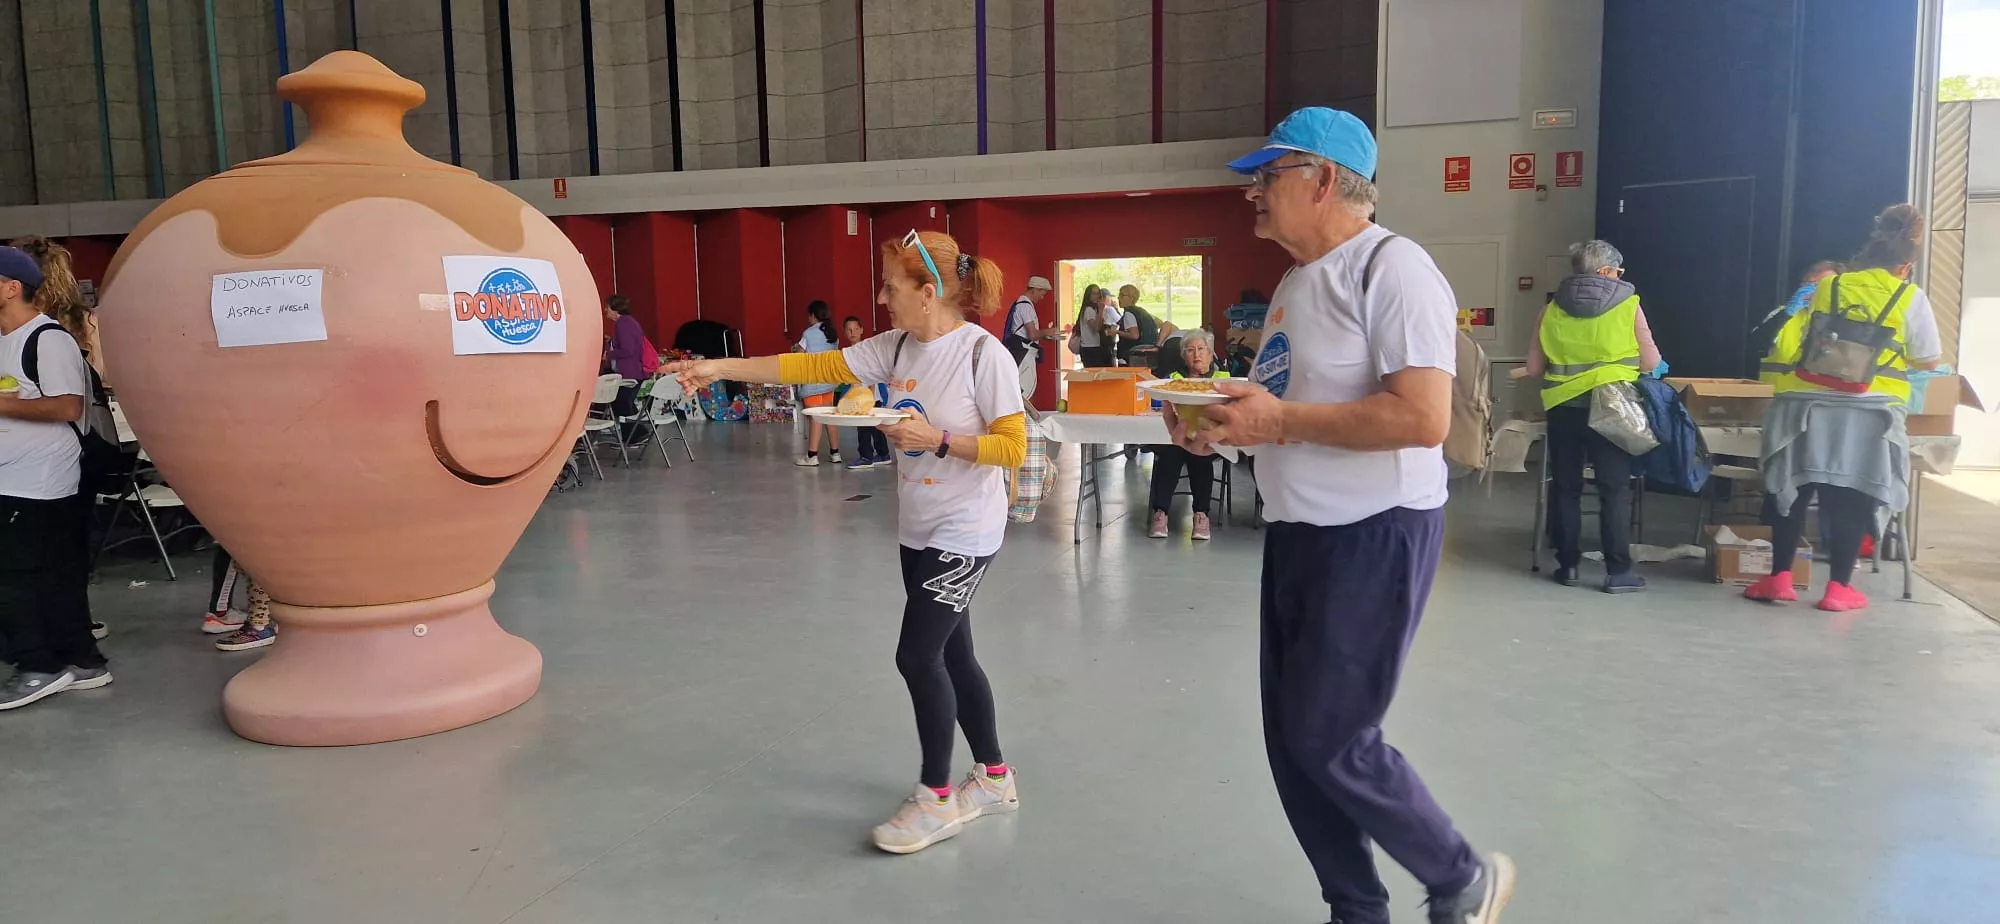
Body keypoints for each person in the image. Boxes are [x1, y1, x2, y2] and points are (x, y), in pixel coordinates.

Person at [1175, 107, 1514, 924]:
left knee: (1332, 736)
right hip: (1300, 531)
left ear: (1324, 180)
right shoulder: (1296, 284)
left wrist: (1276, 422)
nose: (1251, 194)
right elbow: (1282, 408)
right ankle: (1356, 909)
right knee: (1295, 747)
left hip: (1375, 532)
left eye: (1269, 176)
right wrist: (1213, 431)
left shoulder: (1395, 271)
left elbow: (1420, 419)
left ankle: (1459, 876)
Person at [667, 230, 1026, 855]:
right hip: (917, 525)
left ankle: (936, 796)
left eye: (892, 285)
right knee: (954, 654)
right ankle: (995, 777)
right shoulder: (895, 349)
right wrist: (716, 366)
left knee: (918, 657)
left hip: (966, 528)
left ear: (928, 290)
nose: (882, 296)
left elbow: (1013, 447)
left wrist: (937, 440)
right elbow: (808, 366)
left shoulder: (981, 354)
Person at [1748, 204, 1943, 612]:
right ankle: (1838, 589)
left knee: (1795, 487)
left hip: (1807, 400)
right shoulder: (1911, 296)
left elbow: (1803, 337)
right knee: (1852, 494)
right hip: (1871, 409)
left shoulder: (1829, 286)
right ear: (1905, 266)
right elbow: (1928, 359)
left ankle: (1780, 578)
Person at [0, 245, 112, 711]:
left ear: (10, 287)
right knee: (53, 574)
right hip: (13, 476)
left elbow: (68, 406)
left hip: (39, 479)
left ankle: (39, 667)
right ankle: (81, 659)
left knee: (15, 577)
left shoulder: (48, 339)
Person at [1521, 240, 1662, 593]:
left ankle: (1568, 566)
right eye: (1617, 270)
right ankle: (1618, 572)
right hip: (1610, 408)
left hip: (1563, 408)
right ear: (1605, 271)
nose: (1619, 276)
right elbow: (1650, 363)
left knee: (1566, 489)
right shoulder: (1629, 306)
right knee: (1613, 490)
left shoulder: (1550, 309)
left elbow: (1535, 368)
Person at [1146, 329, 1225, 541]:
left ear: (1210, 353)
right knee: (1170, 454)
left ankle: (1201, 515)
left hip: (1210, 438)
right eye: (1190, 350)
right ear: (1183, 356)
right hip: (1178, 435)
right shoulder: (1174, 379)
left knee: (1200, 455)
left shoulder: (1223, 378)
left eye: (1201, 349)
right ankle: (1160, 513)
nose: (1196, 355)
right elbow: (1157, 401)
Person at [839, 315, 893, 470]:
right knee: (875, 427)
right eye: (849, 329)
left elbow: (872, 373)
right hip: (862, 395)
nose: (852, 332)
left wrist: (869, 395)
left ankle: (866, 456)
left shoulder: (865, 350)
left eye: (856, 329)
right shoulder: (848, 352)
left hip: (868, 396)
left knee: (863, 426)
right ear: (844, 332)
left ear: (862, 330)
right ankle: (883, 454)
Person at [794, 300, 843, 467]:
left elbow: (799, 356)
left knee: (815, 417)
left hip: (813, 382)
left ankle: (812, 455)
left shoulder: (808, 334)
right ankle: (835, 453)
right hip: (829, 381)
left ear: (813, 315)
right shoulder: (832, 333)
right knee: (829, 415)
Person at [602, 294, 648, 443]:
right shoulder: (629, 322)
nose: (605, 310)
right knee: (623, 404)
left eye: (608, 307)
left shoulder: (623, 324)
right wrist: (612, 341)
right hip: (634, 371)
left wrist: (608, 354)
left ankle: (634, 435)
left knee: (621, 404)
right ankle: (632, 435)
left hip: (629, 373)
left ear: (615, 309)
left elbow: (628, 350)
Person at [1071, 284, 1120, 368]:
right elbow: (1096, 328)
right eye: (1093, 293)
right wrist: (1100, 310)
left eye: (1098, 293)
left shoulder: (1094, 309)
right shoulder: (1089, 310)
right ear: (1088, 295)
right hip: (1090, 348)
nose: (1096, 296)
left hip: (1095, 346)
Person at [1115, 284, 1161, 366]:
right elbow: (1160, 323)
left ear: (1131, 298)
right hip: (1150, 353)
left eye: (1122, 295)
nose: (1118, 298)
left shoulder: (1128, 313)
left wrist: (1116, 332)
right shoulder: (1143, 312)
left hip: (1134, 355)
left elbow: (1134, 335)